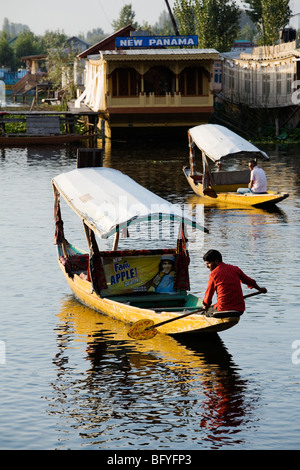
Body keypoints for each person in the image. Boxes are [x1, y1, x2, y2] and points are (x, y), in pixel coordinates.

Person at [202, 249, 267, 316]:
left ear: (216, 261)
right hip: (239, 309)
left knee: (204, 314)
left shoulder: (213, 274)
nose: (207, 266)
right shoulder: (235, 269)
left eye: (208, 263)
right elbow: (249, 281)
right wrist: (260, 289)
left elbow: (209, 294)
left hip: (223, 309)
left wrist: (206, 305)